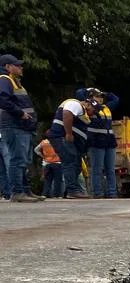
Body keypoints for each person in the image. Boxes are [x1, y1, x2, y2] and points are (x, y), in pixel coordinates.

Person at [0, 54, 42, 202]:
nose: (20, 67)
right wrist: (20, 113)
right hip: (14, 125)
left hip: (21, 126)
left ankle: (25, 190)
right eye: (17, 65)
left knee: (22, 160)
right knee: (17, 159)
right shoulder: (4, 80)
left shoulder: (13, 81)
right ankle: (17, 192)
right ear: (7, 67)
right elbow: (3, 100)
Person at [45, 95, 97, 198]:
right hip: (61, 136)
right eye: (94, 111)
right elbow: (67, 113)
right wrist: (68, 134)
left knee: (76, 163)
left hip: (67, 139)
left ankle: (71, 190)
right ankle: (72, 191)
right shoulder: (76, 104)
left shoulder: (83, 114)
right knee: (70, 161)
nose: (93, 114)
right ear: (88, 104)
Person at [78, 87, 120, 199]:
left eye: (101, 97)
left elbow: (115, 99)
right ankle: (97, 193)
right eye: (97, 96)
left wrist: (105, 92)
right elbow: (79, 93)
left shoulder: (106, 107)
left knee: (110, 169)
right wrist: (89, 89)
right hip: (96, 141)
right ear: (90, 97)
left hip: (109, 141)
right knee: (97, 169)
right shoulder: (89, 107)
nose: (100, 98)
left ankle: (112, 193)